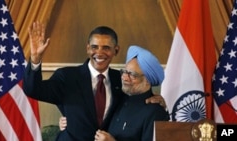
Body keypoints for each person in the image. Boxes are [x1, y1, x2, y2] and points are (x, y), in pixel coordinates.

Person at [22, 21, 166, 141]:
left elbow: (137, 102)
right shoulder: (67, 76)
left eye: (106, 48)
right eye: (94, 47)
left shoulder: (121, 80)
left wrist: (155, 99)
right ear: (87, 48)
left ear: (116, 50)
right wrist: (35, 59)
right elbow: (33, 89)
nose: (99, 52)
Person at [94, 45, 170, 141]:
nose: (125, 77)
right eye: (124, 71)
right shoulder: (119, 98)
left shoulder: (155, 112)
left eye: (132, 75)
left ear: (147, 80)